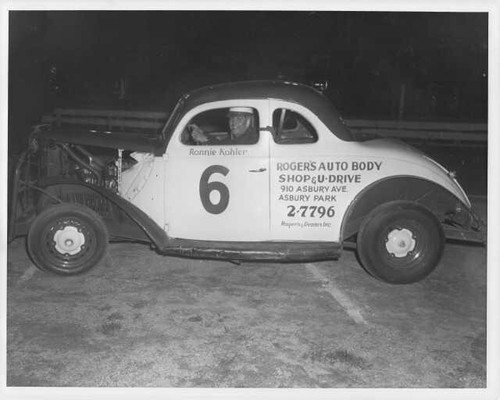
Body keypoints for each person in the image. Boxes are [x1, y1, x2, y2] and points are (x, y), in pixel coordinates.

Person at [188, 107, 257, 145]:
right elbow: (223, 143)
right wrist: (203, 135)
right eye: (231, 118)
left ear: (248, 121)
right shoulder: (235, 138)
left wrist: (205, 140)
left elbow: (229, 151)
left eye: (239, 119)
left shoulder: (253, 140)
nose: (233, 123)